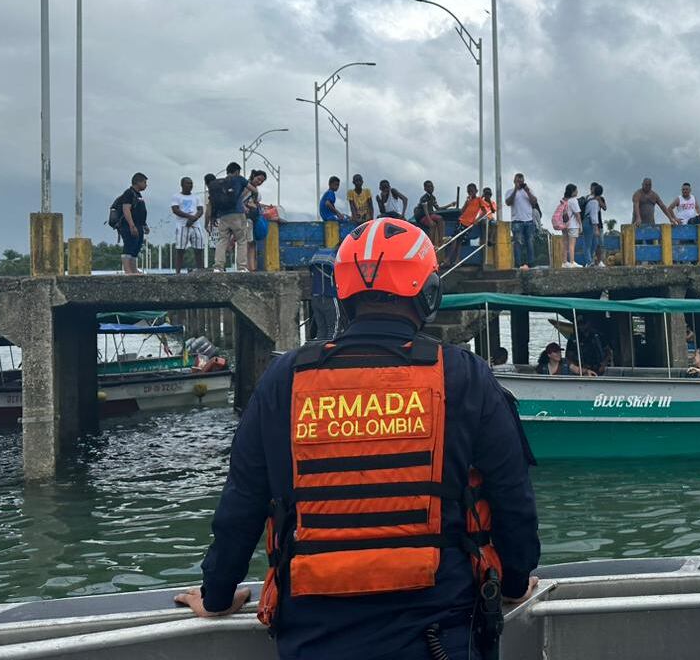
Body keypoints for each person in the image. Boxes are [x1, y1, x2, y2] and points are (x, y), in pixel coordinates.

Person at [176, 217, 540, 659]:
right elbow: (512, 499)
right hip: (441, 637)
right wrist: (516, 583)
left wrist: (215, 597)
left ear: (343, 297)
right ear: (428, 293)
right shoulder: (465, 376)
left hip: (313, 641)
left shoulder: (283, 380)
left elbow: (241, 507)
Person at [207, 162, 251, 272]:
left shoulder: (220, 183)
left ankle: (218, 267)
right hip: (237, 214)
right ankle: (241, 267)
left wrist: (213, 217)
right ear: (236, 171)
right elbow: (253, 189)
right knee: (241, 240)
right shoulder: (239, 179)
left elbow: (213, 202)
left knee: (222, 240)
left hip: (223, 216)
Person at [113, 172, 149, 275]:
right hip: (128, 225)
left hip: (139, 225)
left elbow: (139, 211)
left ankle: (134, 269)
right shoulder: (129, 193)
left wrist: (144, 225)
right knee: (129, 246)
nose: (146, 185)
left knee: (136, 247)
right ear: (138, 182)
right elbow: (126, 209)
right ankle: (127, 270)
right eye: (144, 182)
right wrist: (131, 225)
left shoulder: (138, 195)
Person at [505, 173, 539, 270]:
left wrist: (527, 191)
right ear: (514, 181)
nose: (520, 183)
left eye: (521, 181)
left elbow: (534, 202)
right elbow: (508, 202)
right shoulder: (510, 191)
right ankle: (518, 264)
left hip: (529, 221)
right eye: (518, 181)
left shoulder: (528, 191)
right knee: (518, 243)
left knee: (530, 243)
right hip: (517, 221)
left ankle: (531, 263)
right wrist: (516, 189)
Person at [170, 176, 205, 274]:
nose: (190, 185)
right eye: (188, 183)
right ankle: (178, 272)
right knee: (180, 249)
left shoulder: (196, 197)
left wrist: (194, 218)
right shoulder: (176, 196)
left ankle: (200, 270)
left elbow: (200, 210)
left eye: (191, 183)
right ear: (182, 185)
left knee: (199, 248)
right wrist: (189, 217)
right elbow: (175, 209)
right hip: (182, 225)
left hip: (195, 225)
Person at [456, 182, 495, 265]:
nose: (470, 193)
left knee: (459, 240)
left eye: (472, 191)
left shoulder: (484, 201)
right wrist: (467, 203)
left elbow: (489, 210)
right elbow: (462, 212)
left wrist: (477, 219)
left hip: (476, 222)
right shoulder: (471, 200)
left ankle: (489, 240)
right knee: (457, 240)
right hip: (463, 221)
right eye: (469, 191)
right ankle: (456, 259)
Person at [413, 180, 455, 247]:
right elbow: (425, 210)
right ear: (425, 189)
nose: (431, 188)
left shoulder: (433, 197)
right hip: (422, 216)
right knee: (435, 222)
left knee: (438, 222)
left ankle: (439, 241)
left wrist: (450, 205)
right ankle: (434, 243)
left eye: (432, 186)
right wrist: (429, 220)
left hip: (429, 215)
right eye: (428, 187)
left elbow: (438, 208)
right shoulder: (424, 198)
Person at [246, 170, 268, 272]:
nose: (259, 182)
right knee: (249, 242)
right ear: (253, 176)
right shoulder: (247, 187)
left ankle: (252, 266)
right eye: (258, 179)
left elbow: (256, 203)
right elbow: (244, 202)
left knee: (252, 243)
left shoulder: (254, 189)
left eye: (261, 181)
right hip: (248, 218)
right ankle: (250, 267)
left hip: (253, 218)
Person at [583, 182, 607, 267]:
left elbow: (604, 208)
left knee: (595, 243)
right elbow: (593, 216)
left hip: (593, 223)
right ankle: (589, 262)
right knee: (589, 243)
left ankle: (590, 261)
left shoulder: (595, 199)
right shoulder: (592, 201)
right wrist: (596, 228)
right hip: (591, 222)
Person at [559, 183, 582, 268]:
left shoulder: (564, 200)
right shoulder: (573, 200)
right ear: (572, 192)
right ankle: (572, 262)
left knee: (565, 243)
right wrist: (580, 225)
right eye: (576, 190)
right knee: (572, 244)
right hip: (572, 225)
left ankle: (564, 262)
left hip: (565, 225)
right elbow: (577, 214)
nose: (577, 191)